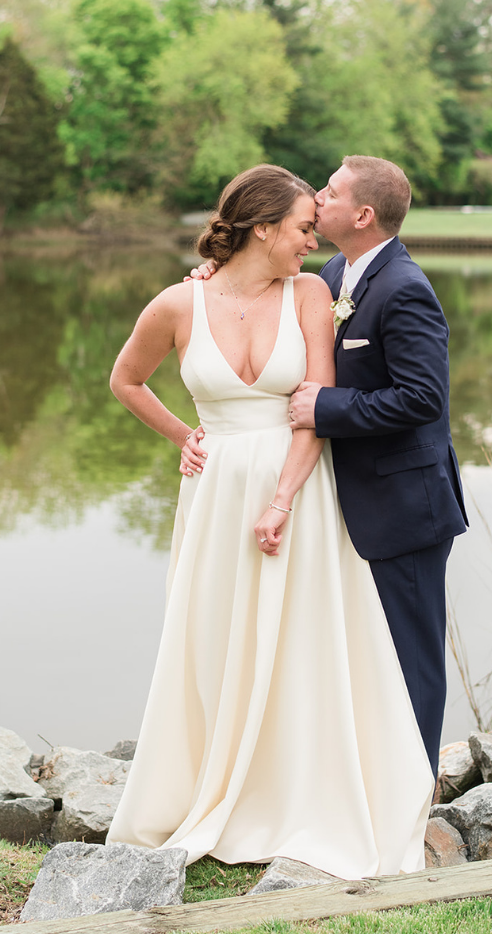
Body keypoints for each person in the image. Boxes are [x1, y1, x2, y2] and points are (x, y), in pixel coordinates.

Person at [105, 164, 433, 879]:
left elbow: (314, 405)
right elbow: (124, 381)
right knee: (214, 635)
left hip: (299, 492)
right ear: (261, 229)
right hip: (217, 492)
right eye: (301, 229)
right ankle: (213, 786)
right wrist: (182, 436)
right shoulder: (177, 304)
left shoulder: (312, 293)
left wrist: (282, 498)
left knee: (303, 639)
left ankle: (301, 792)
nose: (311, 241)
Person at [185, 156, 468, 776]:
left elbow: (425, 398)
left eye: (331, 191)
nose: (317, 196)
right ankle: (356, 780)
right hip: (346, 501)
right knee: (362, 655)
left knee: (409, 657)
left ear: (362, 214)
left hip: (404, 507)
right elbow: (270, 288)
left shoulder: (405, 287)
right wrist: (216, 273)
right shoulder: (338, 270)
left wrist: (327, 405)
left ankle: (413, 795)